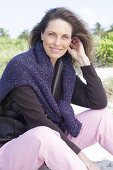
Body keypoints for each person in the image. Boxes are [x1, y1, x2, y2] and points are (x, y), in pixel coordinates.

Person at [0, 7, 112, 170]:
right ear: (42, 34)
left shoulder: (63, 70)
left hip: (50, 142)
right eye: (52, 34)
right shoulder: (21, 67)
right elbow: (39, 122)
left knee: (101, 116)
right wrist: (83, 158)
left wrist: (84, 60)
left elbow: (98, 102)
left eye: (64, 37)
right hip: (10, 151)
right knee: (43, 134)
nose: (57, 42)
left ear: (71, 41)